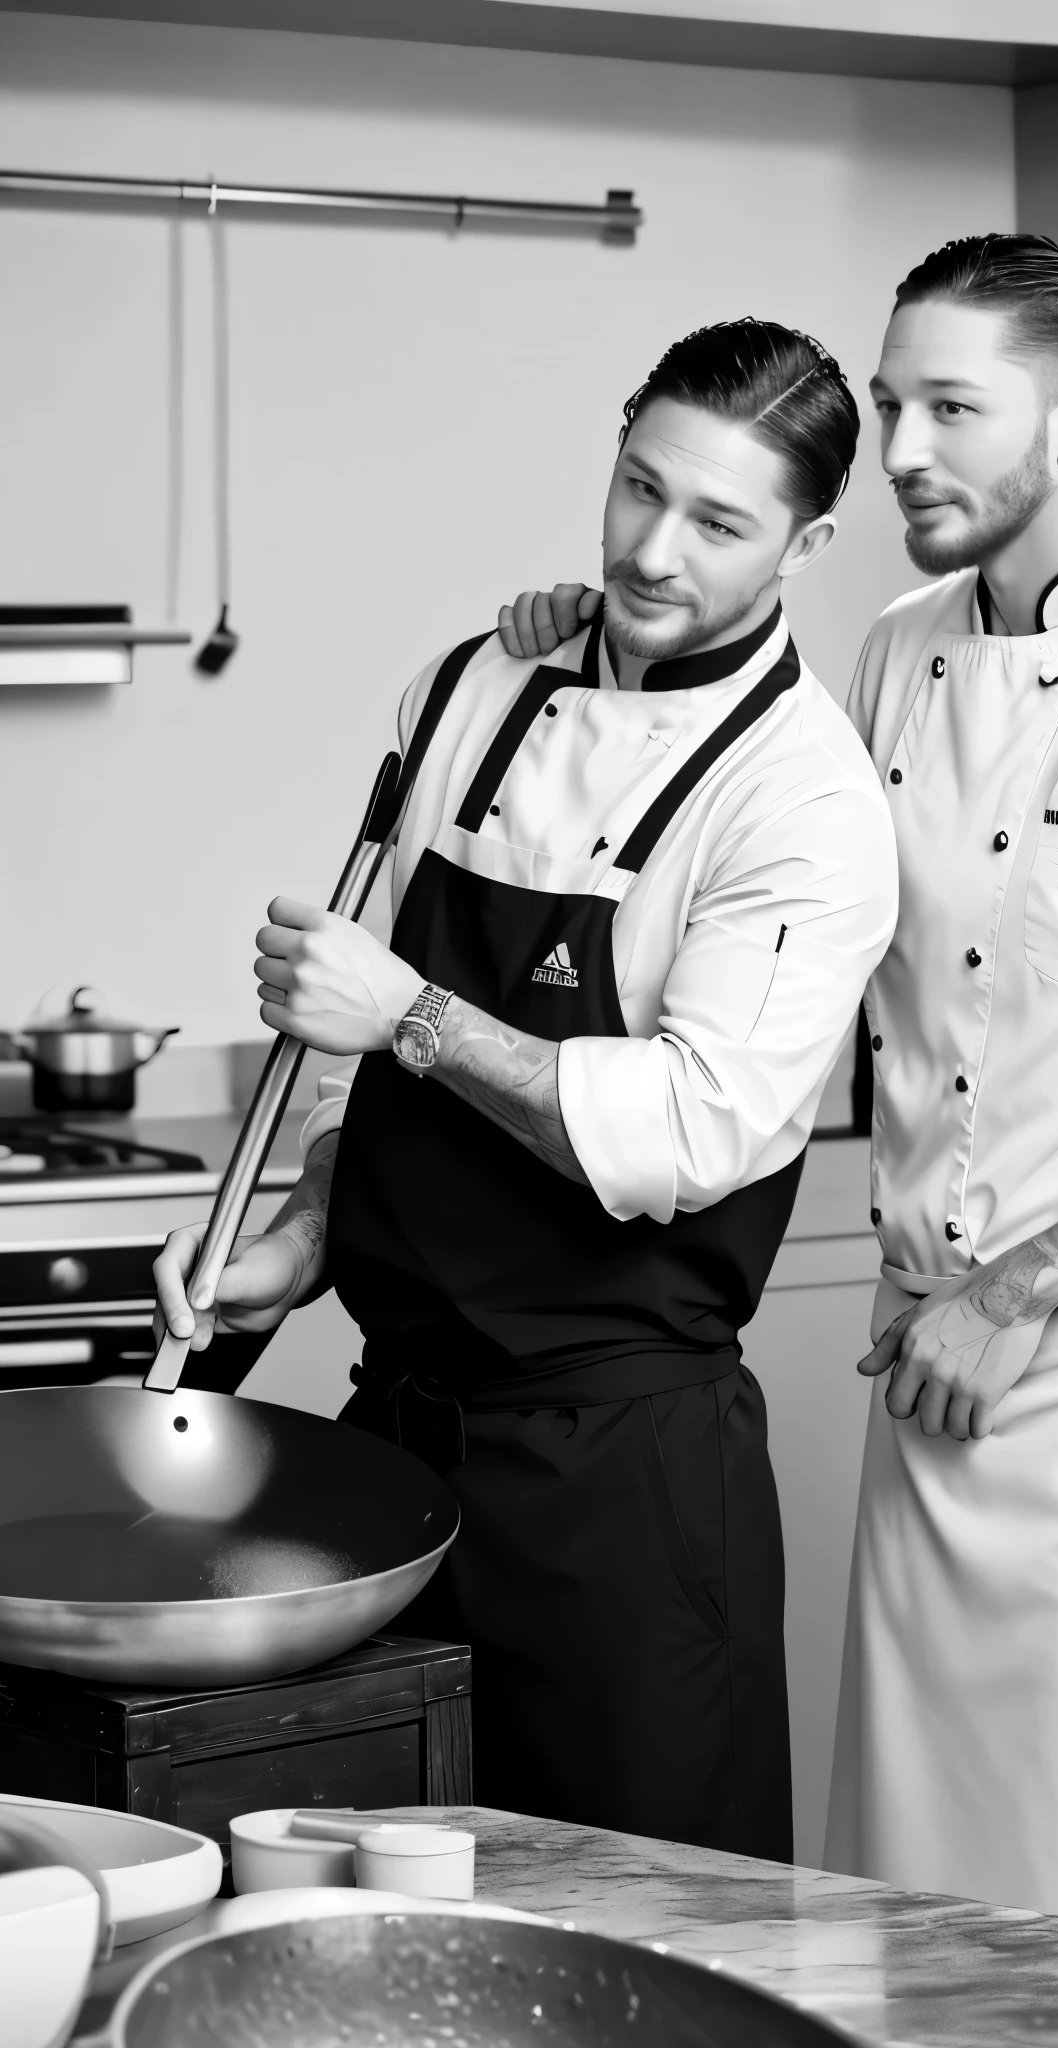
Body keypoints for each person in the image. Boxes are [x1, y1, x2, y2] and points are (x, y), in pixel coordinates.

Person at [496, 236, 1058, 1943]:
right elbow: (757, 828)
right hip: (933, 1370)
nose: (899, 449)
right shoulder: (897, 651)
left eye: (950, 407)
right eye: (893, 401)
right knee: (916, 1912)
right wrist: (591, 648)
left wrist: (1027, 1283)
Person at [153, 318, 899, 1862]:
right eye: (639, 487)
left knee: (642, 1945)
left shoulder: (806, 801)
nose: (652, 550)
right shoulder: (472, 684)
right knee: (391, 1929)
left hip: (619, 1489)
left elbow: (683, 1134)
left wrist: (410, 1011)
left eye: (720, 522)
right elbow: (351, 1070)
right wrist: (299, 1232)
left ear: (809, 542)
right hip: (395, 1455)